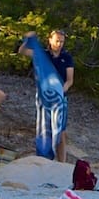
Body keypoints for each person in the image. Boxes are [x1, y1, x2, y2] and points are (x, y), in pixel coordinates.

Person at [19, 29, 76, 162]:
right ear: (50, 40)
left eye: (62, 41)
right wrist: (28, 40)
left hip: (60, 99)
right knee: (44, 129)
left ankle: (62, 163)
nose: (59, 44)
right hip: (44, 98)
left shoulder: (66, 57)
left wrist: (63, 89)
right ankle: (44, 160)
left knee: (60, 131)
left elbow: (70, 79)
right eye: (57, 40)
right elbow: (22, 52)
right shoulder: (42, 55)